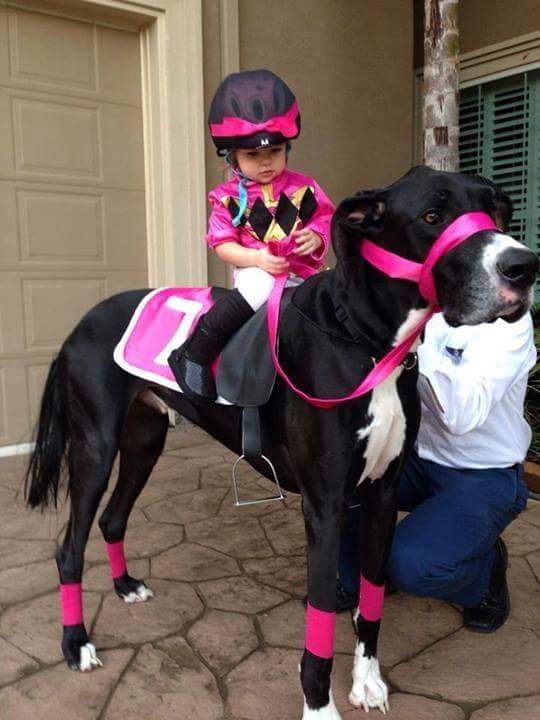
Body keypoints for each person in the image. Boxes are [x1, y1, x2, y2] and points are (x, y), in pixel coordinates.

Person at [337, 310, 536, 632]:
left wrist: (412, 335)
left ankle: (485, 574)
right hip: (417, 456)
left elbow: (461, 416)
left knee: (414, 566)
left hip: (485, 472)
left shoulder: (508, 322)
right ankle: (363, 578)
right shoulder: (422, 303)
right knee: (338, 483)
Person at [168, 69, 334, 401]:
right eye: (252, 155)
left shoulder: (305, 187)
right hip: (258, 271)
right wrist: (257, 258)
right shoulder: (226, 197)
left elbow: (325, 218)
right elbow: (223, 246)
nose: (266, 162)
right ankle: (196, 352)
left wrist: (316, 237)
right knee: (258, 288)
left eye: (274, 151)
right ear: (233, 157)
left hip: (303, 272)